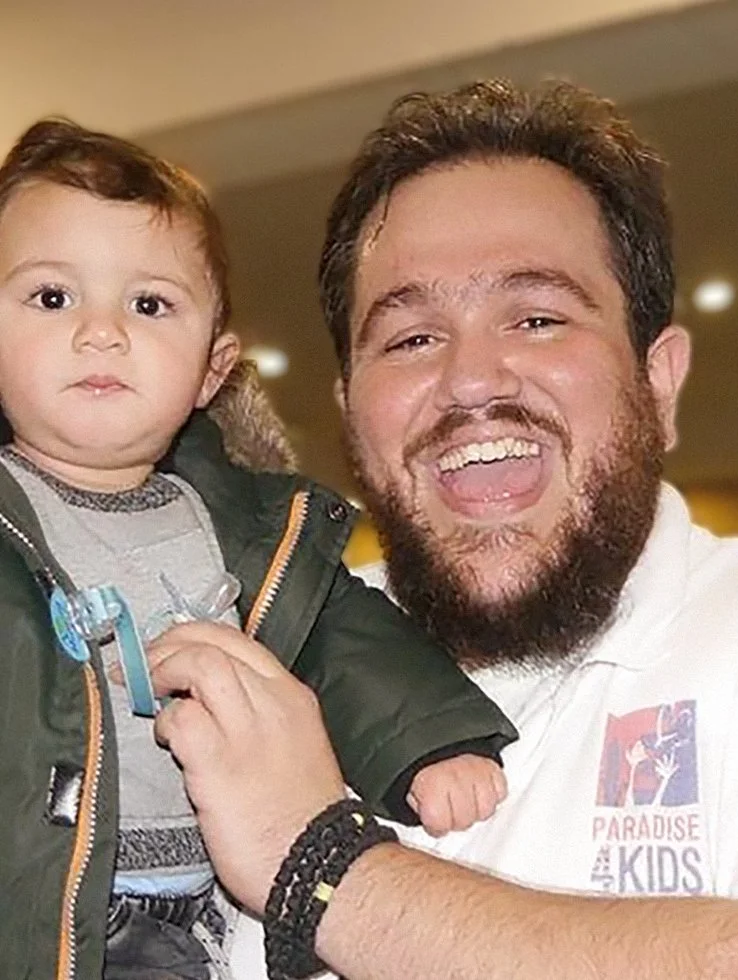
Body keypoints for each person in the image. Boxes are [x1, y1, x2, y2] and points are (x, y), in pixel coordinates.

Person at [150, 80, 738, 980]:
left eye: (538, 318)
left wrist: (322, 869)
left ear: (658, 383)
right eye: (411, 338)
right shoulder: (265, 656)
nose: (471, 380)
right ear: (351, 413)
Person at [0, 118, 518, 980]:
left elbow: (338, 638)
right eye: (52, 298)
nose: (102, 332)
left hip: (209, 906)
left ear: (212, 369)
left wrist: (428, 740)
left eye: (150, 304)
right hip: (37, 903)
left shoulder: (248, 531)